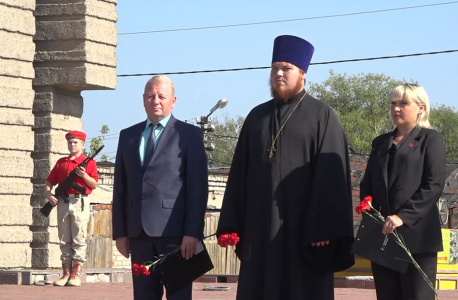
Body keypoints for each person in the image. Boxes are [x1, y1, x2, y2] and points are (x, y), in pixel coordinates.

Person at [216, 35, 355, 300]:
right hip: (259, 230)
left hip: (304, 232)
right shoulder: (256, 117)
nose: (279, 74)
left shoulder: (322, 116)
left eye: (286, 68)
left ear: (302, 74)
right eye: (275, 68)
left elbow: (332, 178)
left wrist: (323, 228)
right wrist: (232, 224)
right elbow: (238, 176)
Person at [112, 75, 208, 300]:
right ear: (143, 100)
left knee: (179, 296)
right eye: (150, 96)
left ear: (173, 101)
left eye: (161, 96)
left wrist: (192, 233)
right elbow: (120, 188)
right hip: (139, 235)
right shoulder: (128, 136)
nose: (156, 100)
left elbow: (197, 188)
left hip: (175, 235)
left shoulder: (189, 135)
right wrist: (121, 233)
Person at [360, 83, 446, 300]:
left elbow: (434, 184)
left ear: (420, 107)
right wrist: (370, 212)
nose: (396, 109)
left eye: (403, 103)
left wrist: (402, 217)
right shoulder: (380, 143)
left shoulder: (431, 139)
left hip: (417, 235)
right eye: (393, 104)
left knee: (417, 296)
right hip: (383, 235)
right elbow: (367, 183)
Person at [45, 130, 99, 287]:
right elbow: (49, 181)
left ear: (83, 145)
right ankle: (65, 274)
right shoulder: (62, 162)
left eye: (75, 142)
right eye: (70, 142)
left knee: (78, 237)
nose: (72, 144)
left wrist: (83, 175)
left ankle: (75, 274)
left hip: (79, 202)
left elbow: (94, 184)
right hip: (62, 201)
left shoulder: (89, 163)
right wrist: (48, 195)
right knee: (64, 238)